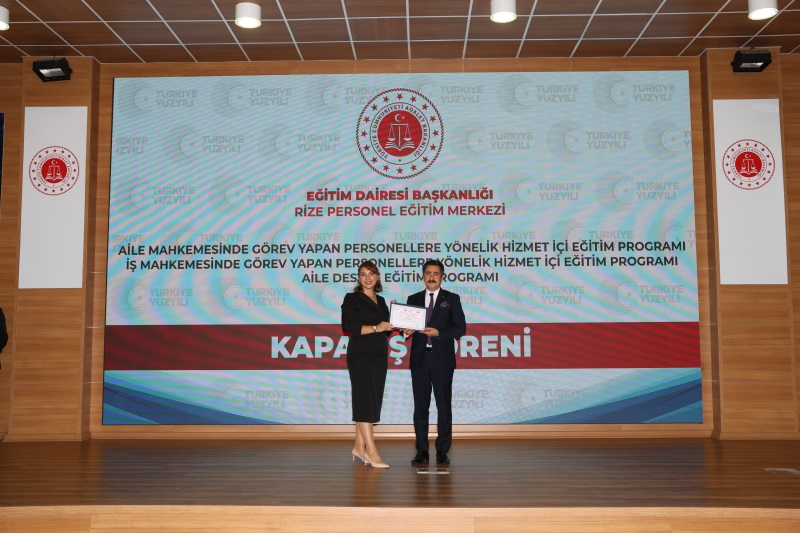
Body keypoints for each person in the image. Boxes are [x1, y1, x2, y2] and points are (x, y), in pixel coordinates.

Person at [404, 259, 466, 465]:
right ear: (423, 275)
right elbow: (406, 327)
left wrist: (439, 332)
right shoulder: (413, 299)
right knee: (420, 407)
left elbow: (460, 329)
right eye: (428, 273)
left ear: (442, 276)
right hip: (420, 360)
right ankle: (421, 450)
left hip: (442, 361)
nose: (431, 277)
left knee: (443, 406)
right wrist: (405, 331)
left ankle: (442, 450)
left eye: (436, 273)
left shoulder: (452, 299)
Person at [340, 260, 393, 469]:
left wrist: (399, 323)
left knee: (372, 399)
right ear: (359, 278)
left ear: (377, 276)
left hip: (379, 354)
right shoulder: (351, 298)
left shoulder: (381, 300)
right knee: (363, 400)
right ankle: (371, 452)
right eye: (363, 274)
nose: (367, 278)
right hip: (360, 354)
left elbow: (386, 329)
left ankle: (358, 447)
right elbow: (348, 326)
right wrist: (376, 327)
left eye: (371, 273)